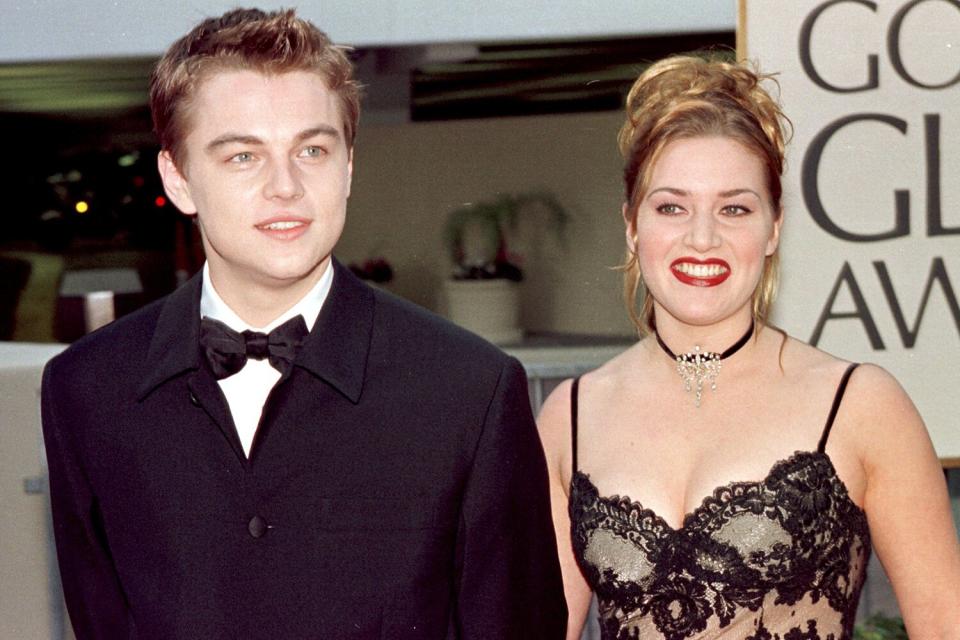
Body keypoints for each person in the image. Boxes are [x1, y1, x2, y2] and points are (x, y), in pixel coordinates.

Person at [41, 8, 566, 639]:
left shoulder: (468, 390)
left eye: (312, 149)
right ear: (178, 179)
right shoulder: (87, 388)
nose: (285, 185)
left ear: (347, 167)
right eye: (242, 156)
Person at [537, 56, 960, 639]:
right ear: (632, 225)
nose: (702, 237)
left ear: (774, 229)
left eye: (734, 208)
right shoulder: (570, 416)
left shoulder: (861, 405)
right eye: (671, 207)